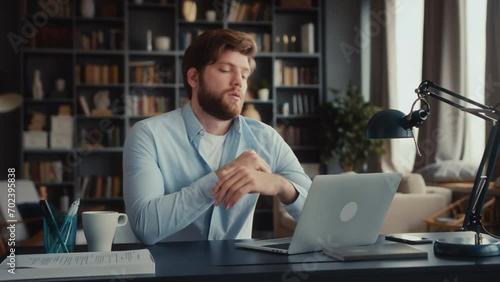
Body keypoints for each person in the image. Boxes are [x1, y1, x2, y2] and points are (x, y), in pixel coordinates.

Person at [123, 29, 311, 245]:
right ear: (194, 77)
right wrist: (225, 176)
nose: (238, 82)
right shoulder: (148, 135)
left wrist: (282, 186)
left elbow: (320, 215)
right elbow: (145, 226)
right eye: (225, 70)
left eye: (244, 74)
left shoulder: (267, 139)